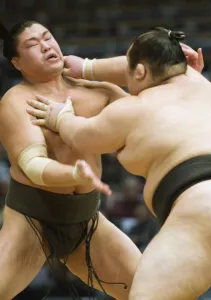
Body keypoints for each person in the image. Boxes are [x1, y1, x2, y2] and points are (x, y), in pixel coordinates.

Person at [28, 27, 211, 300]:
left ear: (141, 72)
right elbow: (141, 63)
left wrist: (60, 118)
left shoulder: (130, 110)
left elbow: (82, 136)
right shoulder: (198, 81)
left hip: (207, 210)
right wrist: (87, 67)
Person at [0, 20, 143, 300]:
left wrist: (91, 67)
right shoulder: (16, 101)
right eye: (32, 45)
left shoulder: (95, 89)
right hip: (32, 221)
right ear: (17, 62)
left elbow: (146, 104)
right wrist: (73, 175)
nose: (45, 46)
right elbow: (33, 166)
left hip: (87, 221)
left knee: (151, 290)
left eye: (47, 37)